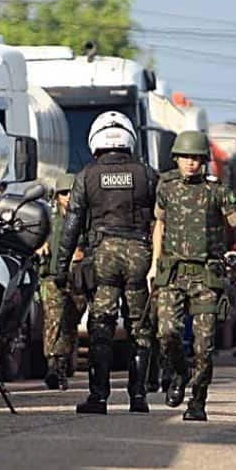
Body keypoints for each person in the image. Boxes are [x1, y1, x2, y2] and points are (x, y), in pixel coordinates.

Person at [53, 111, 159, 414]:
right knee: (139, 326)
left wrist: (61, 267)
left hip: (104, 256)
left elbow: (72, 224)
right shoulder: (148, 174)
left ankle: (98, 398)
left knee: (101, 326)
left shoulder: (86, 175)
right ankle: (138, 397)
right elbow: (163, 219)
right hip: (140, 254)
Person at [149, 131, 236, 422]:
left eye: (196, 158)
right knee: (166, 332)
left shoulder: (218, 191)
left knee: (204, 345)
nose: (191, 163)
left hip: (206, 275)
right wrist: (154, 264)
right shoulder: (166, 188)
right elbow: (159, 226)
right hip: (173, 273)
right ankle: (180, 373)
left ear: (204, 160)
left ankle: (198, 400)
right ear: (176, 159)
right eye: (185, 157)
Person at [38, 173, 88, 391]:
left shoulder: (86, 220)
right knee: (53, 320)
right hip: (52, 277)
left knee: (69, 323)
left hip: (77, 279)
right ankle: (53, 365)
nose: (68, 197)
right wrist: (40, 245)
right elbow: (35, 237)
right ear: (56, 196)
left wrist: (84, 253)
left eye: (71, 192)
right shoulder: (49, 220)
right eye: (63, 193)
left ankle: (61, 363)